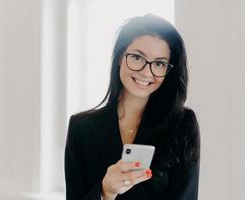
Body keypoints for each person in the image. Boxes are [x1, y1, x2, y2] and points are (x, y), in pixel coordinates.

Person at [64, 14, 200, 200]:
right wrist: (105, 191)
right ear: (120, 56)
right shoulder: (82, 128)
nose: (146, 72)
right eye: (137, 58)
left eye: (159, 63)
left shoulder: (183, 125)